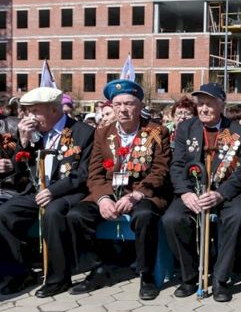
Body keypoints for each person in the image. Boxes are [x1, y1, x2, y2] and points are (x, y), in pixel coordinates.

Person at [66, 79, 171, 300]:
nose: (123, 109)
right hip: (110, 190)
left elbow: (160, 170)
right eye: (118, 104)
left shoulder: (156, 131)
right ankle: (97, 269)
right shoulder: (103, 133)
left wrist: (137, 195)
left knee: (144, 215)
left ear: (140, 106)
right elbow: (95, 172)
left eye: (129, 104)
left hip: (142, 192)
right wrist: (103, 198)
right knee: (77, 215)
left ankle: (146, 275)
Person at [0, 87, 94, 297]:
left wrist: (53, 191)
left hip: (68, 192)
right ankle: (19, 273)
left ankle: (58, 279)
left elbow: (83, 174)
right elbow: (19, 171)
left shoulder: (82, 132)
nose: (30, 117)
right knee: (4, 213)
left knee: (53, 212)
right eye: (27, 111)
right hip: (37, 191)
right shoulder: (34, 133)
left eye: (35, 111)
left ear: (53, 109)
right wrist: (24, 142)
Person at [162, 83, 241, 301]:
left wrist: (221, 194)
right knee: (172, 219)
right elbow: (177, 165)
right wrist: (185, 192)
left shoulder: (239, 133)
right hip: (193, 190)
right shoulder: (186, 128)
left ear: (222, 105)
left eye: (209, 104)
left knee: (239, 216)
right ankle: (189, 276)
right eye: (200, 104)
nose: (203, 109)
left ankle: (221, 278)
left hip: (225, 192)